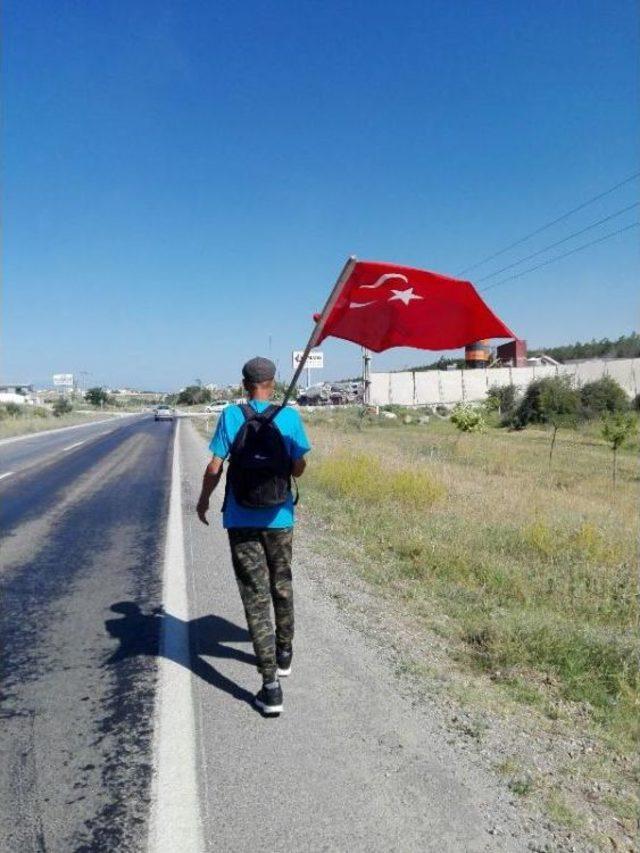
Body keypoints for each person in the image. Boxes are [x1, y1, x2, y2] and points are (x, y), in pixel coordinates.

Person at [196, 356, 311, 715]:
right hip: (279, 518)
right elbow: (300, 467)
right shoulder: (289, 416)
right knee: (282, 582)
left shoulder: (232, 415)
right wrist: (289, 461)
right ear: (272, 383)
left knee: (255, 595)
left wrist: (202, 501)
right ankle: (284, 652)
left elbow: (215, 466)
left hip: (241, 518)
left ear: (244, 384)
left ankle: (270, 687)